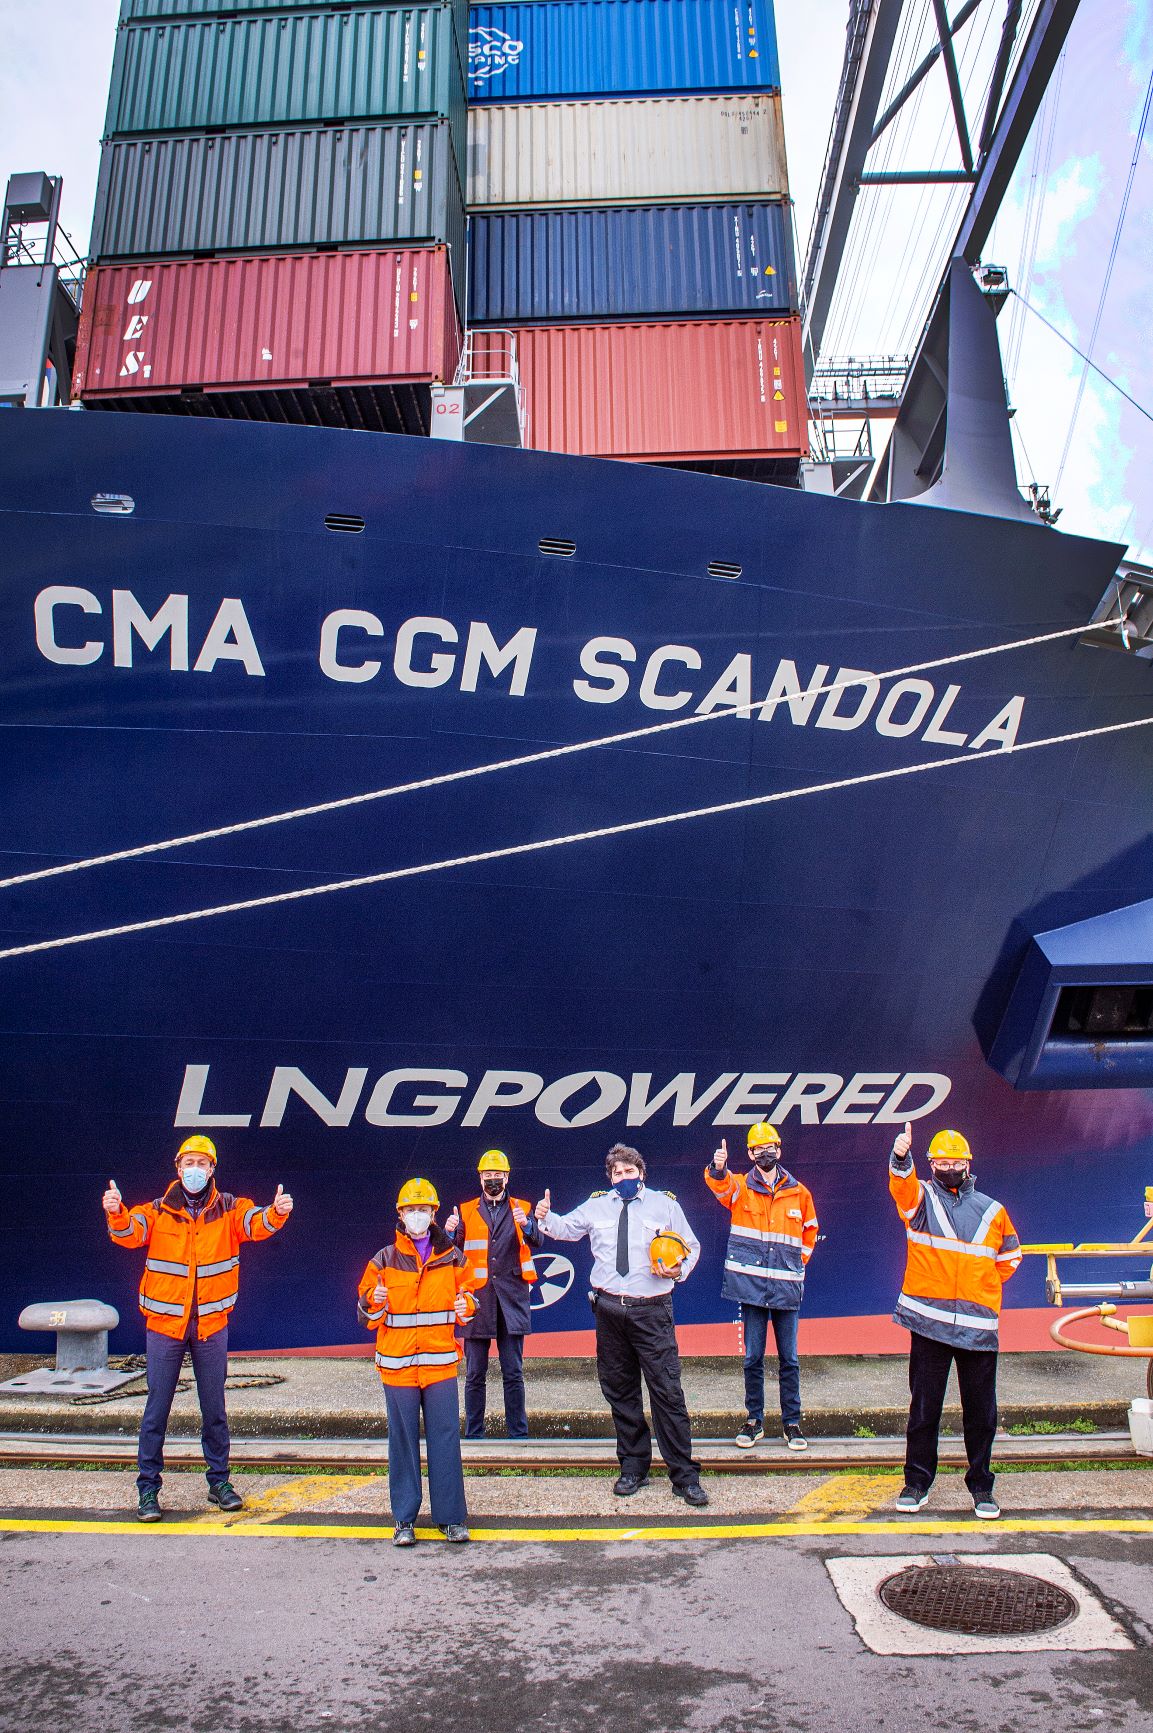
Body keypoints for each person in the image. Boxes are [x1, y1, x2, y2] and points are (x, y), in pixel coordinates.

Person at [102, 1134, 292, 1522]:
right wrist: (117, 1212)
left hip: (210, 1325)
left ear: (212, 1169)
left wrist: (276, 1212)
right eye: (189, 1162)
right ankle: (148, 1488)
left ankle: (219, 1483)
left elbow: (255, 1224)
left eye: (202, 1163)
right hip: (165, 1326)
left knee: (215, 1409)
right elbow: (129, 1234)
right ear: (177, 1167)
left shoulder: (230, 1208)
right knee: (156, 1410)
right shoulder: (157, 1211)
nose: (195, 1169)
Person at [535, 1142, 708, 1507]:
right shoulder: (596, 1204)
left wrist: (678, 1271)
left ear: (641, 1173)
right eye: (617, 1172)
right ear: (610, 1177)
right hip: (610, 1310)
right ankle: (633, 1468)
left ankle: (684, 1476)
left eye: (630, 1171)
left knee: (667, 1392)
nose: (624, 1177)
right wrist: (545, 1217)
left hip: (652, 1311)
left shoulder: (665, 1205)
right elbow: (567, 1229)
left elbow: (691, 1246)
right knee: (621, 1392)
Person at [887, 1121, 1022, 1521]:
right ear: (930, 1164)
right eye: (941, 1162)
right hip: (930, 1325)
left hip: (977, 1329)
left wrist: (976, 1290)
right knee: (923, 1410)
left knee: (981, 1414)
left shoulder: (993, 1211)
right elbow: (902, 1187)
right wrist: (900, 1157)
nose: (949, 1167)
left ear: (968, 1164)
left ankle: (981, 1487)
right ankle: (916, 1483)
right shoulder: (920, 1199)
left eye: (955, 1161)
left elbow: (1010, 1258)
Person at [358, 1177, 477, 1547]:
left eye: (423, 1209)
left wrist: (467, 1305)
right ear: (400, 1213)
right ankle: (404, 1520)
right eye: (411, 1209)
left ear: (434, 1213)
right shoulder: (382, 1260)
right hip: (397, 1367)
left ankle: (451, 1519)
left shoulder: (453, 1257)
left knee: (446, 1439)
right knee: (403, 1442)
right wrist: (374, 1300)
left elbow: (471, 1297)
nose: (417, 1215)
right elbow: (364, 1312)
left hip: (439, 1364)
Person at [704, 1122, 819, 1451]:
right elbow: (720, 1186)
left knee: (789, 1359)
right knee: (753, 1357)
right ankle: (754, 1421)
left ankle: (792, 1423)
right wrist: (718, 1167)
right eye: (759, 1149)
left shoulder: (800, 1192)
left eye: (770, 1147)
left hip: (786, 1288)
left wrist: (795, 1264)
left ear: (779, 1149)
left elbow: (810, 1230)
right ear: (750, 1154)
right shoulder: (740, 1187)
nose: (765, 1153)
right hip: (751, 1288)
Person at [444, 1149, 542, 1440]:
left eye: (497, 1175)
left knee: (513, 1373)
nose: (493, 1180)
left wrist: (526, 1224)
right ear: (480, 1178)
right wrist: (448, 1233)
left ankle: (518, 1436)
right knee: (475, 1374)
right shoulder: (465, 1211)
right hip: (477, 1301)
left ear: (507, 1177)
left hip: (511, 1300)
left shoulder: (522, 1208)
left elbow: (537, 1239)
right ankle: (474, 1435)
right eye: (488, 1175)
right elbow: (451, 1253)